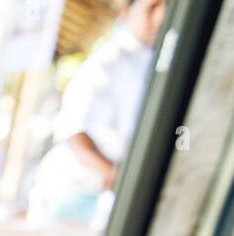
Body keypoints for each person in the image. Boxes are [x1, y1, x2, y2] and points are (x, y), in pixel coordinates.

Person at [28, 0, 167, 224]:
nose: (161, 16)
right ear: (126, 13)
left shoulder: (155, 62)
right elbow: (75, 133)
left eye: (166, 7)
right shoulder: (105, 64)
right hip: (75, 190)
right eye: (152, 7)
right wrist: (118, 178)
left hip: (108, 192)